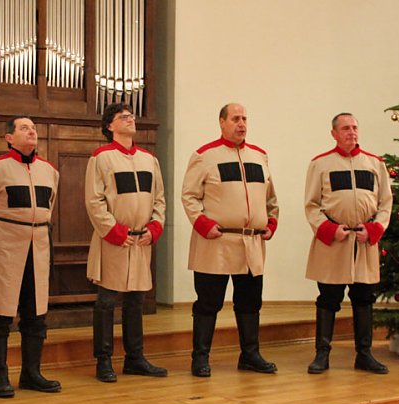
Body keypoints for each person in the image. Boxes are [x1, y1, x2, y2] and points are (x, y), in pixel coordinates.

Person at [181, 103, 279, 377]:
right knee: (208, 302)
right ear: (221, 122)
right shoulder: (204, 156)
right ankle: (200, 358)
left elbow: (271, 198)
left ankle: (250, 354)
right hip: (216, 242)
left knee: (250, 301)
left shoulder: (260, 156)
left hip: (251, 243)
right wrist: (203, 224)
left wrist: (271, 222)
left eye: (245, 118)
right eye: (235, 118)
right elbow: (189, 196)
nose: (242, 124)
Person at [0, 116, 61, 397]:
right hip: (5, 247)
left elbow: (49, 208)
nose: (31, 131)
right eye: (24, 128)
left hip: (39, 248)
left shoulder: (50, 171)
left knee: (35, 315)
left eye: (33, 128)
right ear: (9, 137)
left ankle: (31, 373)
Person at [85, 103, 168, 383]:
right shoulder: (101, 157)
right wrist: (115, 232)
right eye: (123, 117)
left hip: (141, 240)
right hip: (114, 241)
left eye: (132, 115)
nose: (130, 119)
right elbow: (94, 201)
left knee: (136, 301)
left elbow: (159, 199)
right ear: (110, 126)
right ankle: (104, 360)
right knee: (106, 302)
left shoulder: (149, 159)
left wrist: (154, 228)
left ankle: (135, 358)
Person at [304, 113, 392, 375]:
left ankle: (364, 354)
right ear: (334, 133)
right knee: (329, 298)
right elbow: (311, 205)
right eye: (345, 128)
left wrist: (374, 228)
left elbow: (386, 203)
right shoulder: (320, 164)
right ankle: (322, 354)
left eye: (354, 127)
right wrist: (330, 229)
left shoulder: (375, 164)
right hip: (334, 242)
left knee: (364, 298)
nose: (351, 132)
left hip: (364, 242)